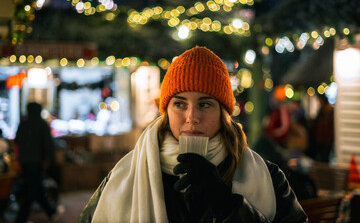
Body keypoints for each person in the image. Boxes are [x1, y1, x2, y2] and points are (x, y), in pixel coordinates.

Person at [78, 46, 307, 222]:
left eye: (205, 104)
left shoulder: (268, 176)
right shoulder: (126, 174)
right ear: (166, 111)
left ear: (223, 113)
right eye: (180, 104)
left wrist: (229, 206)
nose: (191, 117)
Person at [14, 102, 60, 223]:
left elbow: (17, 142)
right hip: (36, 162)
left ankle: (50, 211)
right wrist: (48, 161)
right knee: (32, 190)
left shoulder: (23, 124)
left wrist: (18, 160)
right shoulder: (42, 124)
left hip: (24, 162)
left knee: (34, 188)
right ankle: (21, 218)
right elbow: (48, 145)